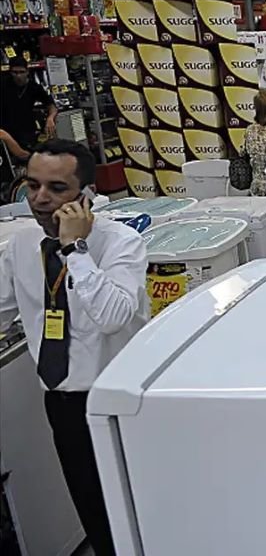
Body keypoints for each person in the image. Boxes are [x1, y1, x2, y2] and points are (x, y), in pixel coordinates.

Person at [0, 139, 150, 556]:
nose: (39, 199)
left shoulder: (121, 243)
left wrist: (75, 250)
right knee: (95, 514)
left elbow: (113, 316)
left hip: (118, 400)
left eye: (56, 188)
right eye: (32, 185)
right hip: (64, 403)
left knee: (136, 515)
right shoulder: (21, 247)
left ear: (87, 195)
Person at [0, 57, 58, 153]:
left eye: (21, 72)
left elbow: (52, 106)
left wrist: (50, 118)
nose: (18, 76)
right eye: (15, 72)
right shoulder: (3, 84)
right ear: (10, 72)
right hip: (6, 132)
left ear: (27, 71)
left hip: (27, 132)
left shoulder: (34, 87)